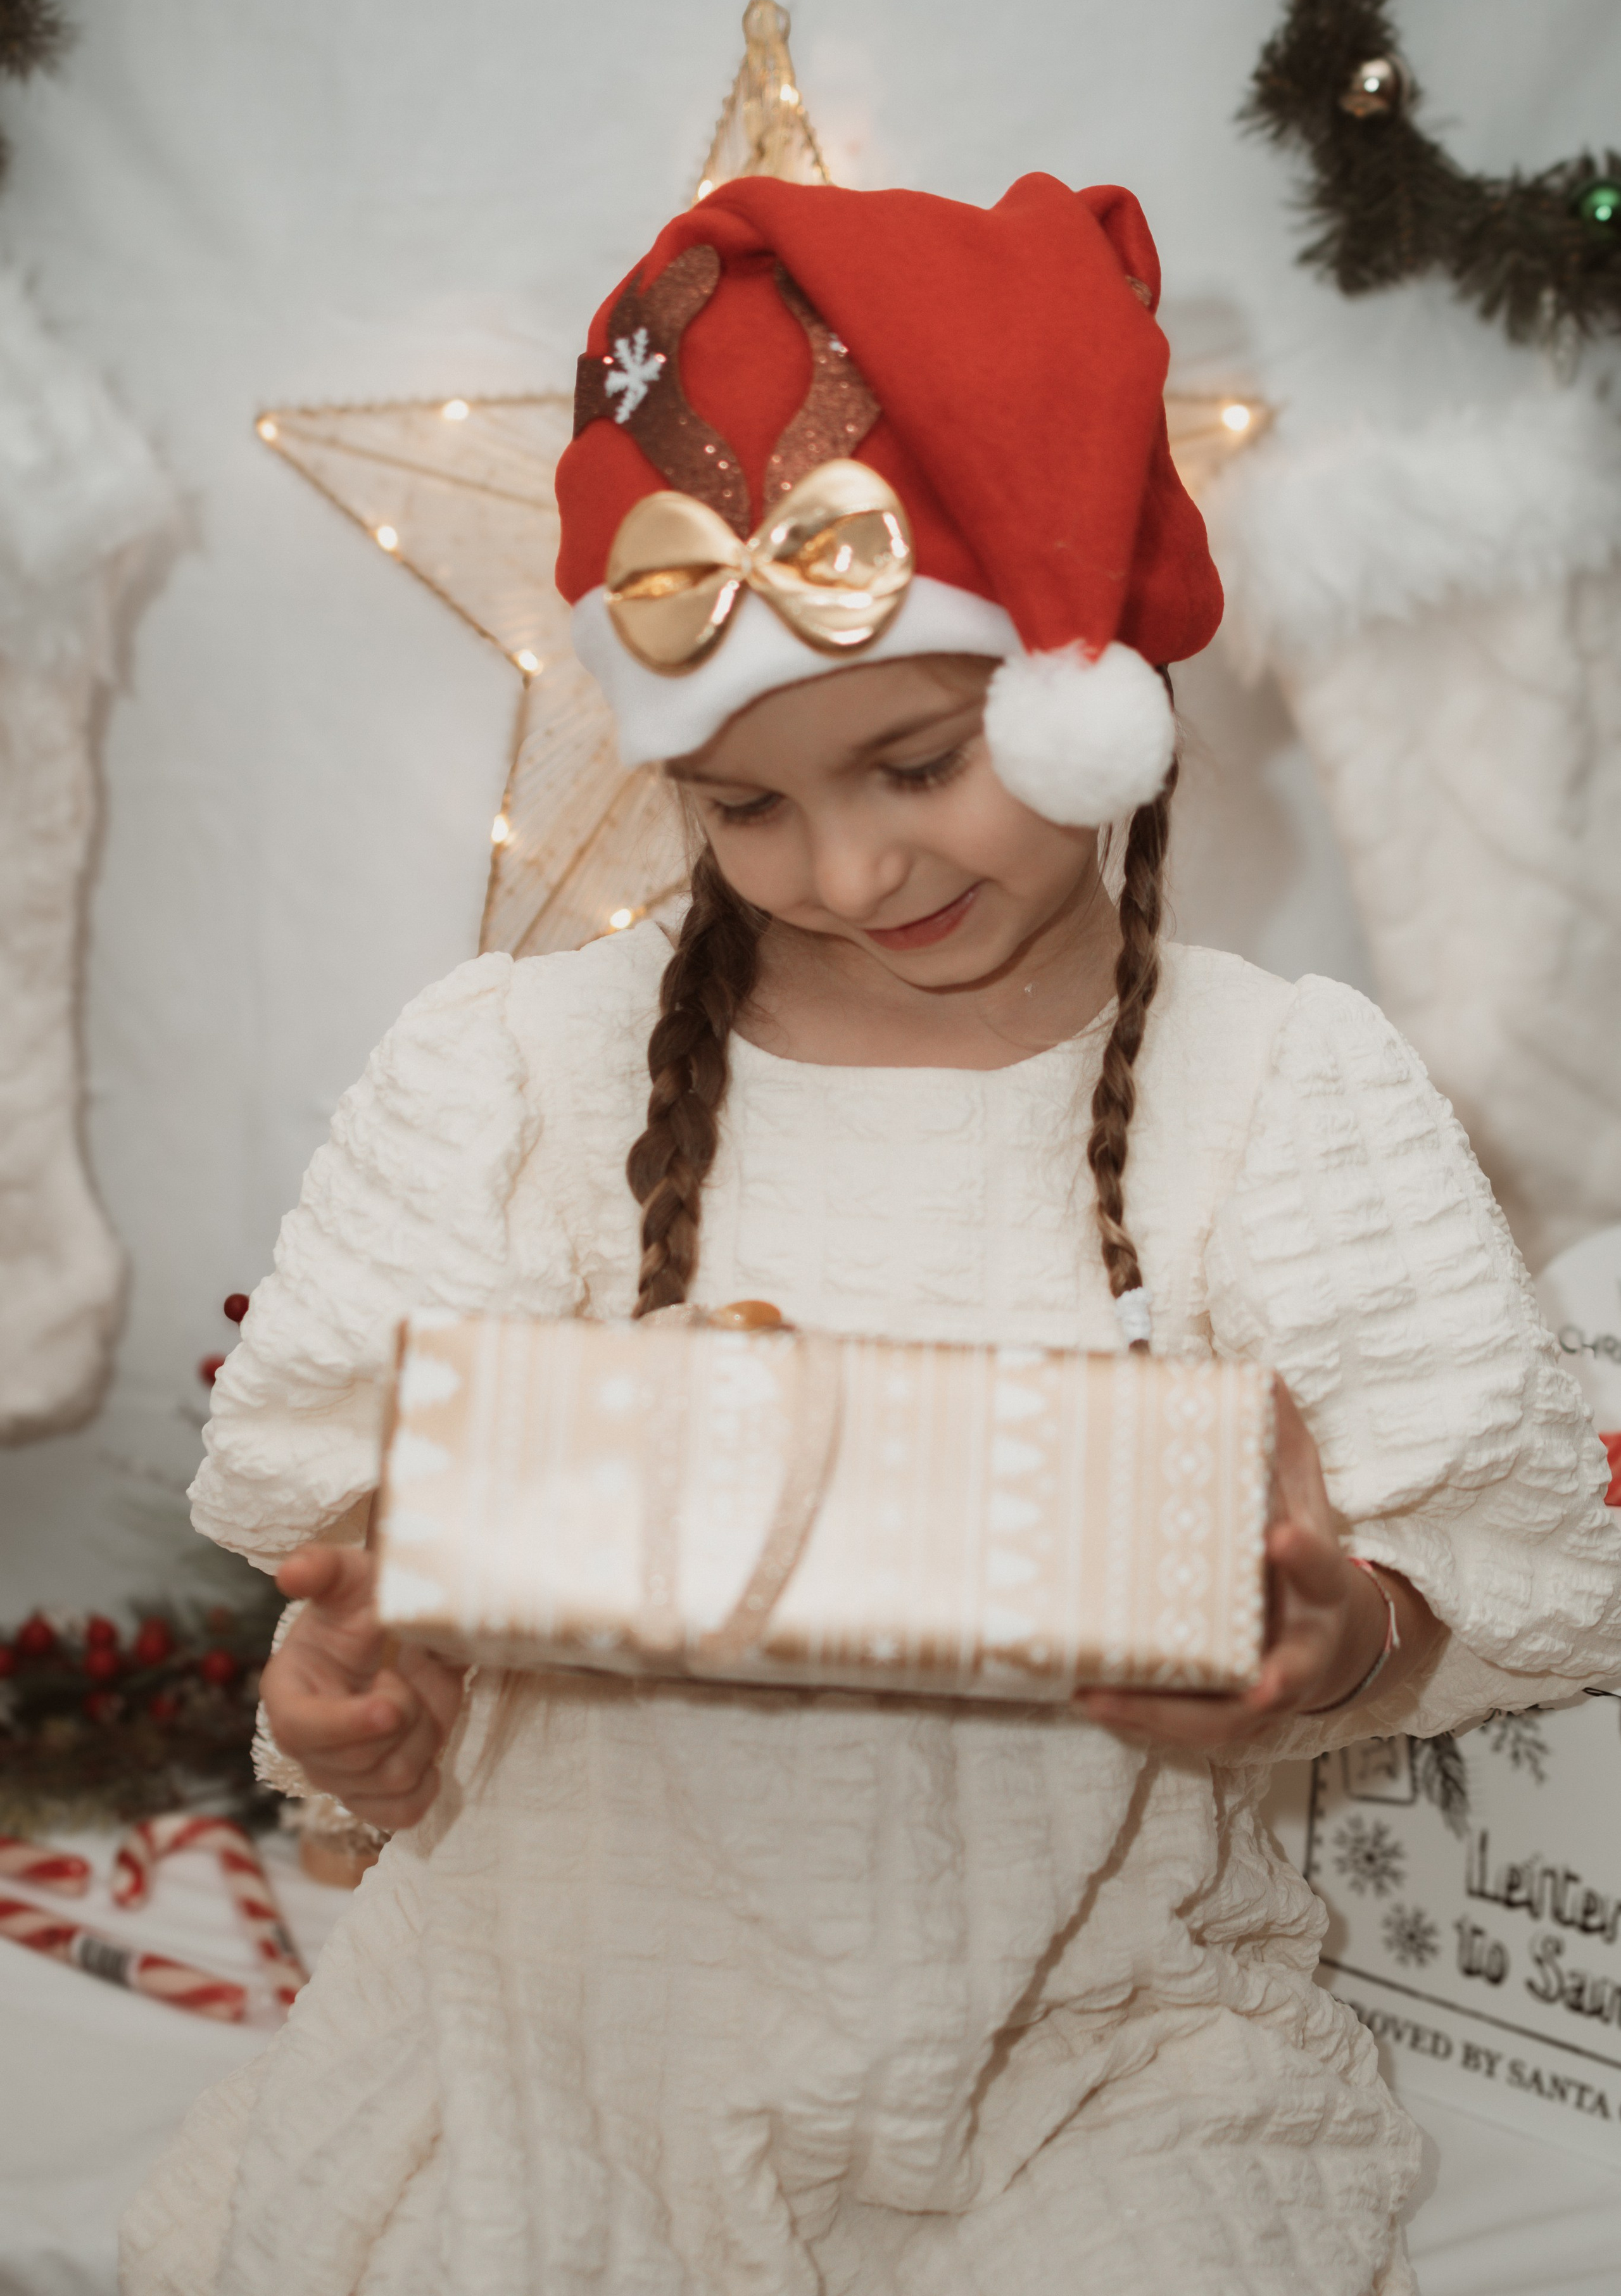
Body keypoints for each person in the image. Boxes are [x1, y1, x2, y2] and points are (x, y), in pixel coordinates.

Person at [122, 175, 1621, 2296]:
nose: (844, 866)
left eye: (916, 762)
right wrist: (353, 1710)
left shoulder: (1279, 1096)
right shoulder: (525, 1082)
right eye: (748, 806)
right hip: (566, 2033)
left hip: (1095, 2056)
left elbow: (1522, 1585)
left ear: (1082, 684)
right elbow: (356, 1617)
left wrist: (1336, 1643)